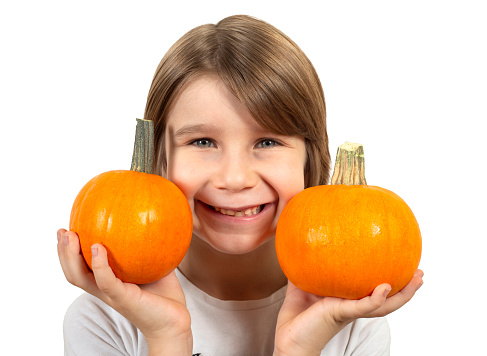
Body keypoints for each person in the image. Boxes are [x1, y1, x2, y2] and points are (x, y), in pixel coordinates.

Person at [57, 15, 424, 356]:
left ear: (311, 159)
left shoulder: (350, 323)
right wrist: (166, 337)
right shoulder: (105, 319)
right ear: (159, 158)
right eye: (202, 142)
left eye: (267, 142)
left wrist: (299, 350)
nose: (234, 179)